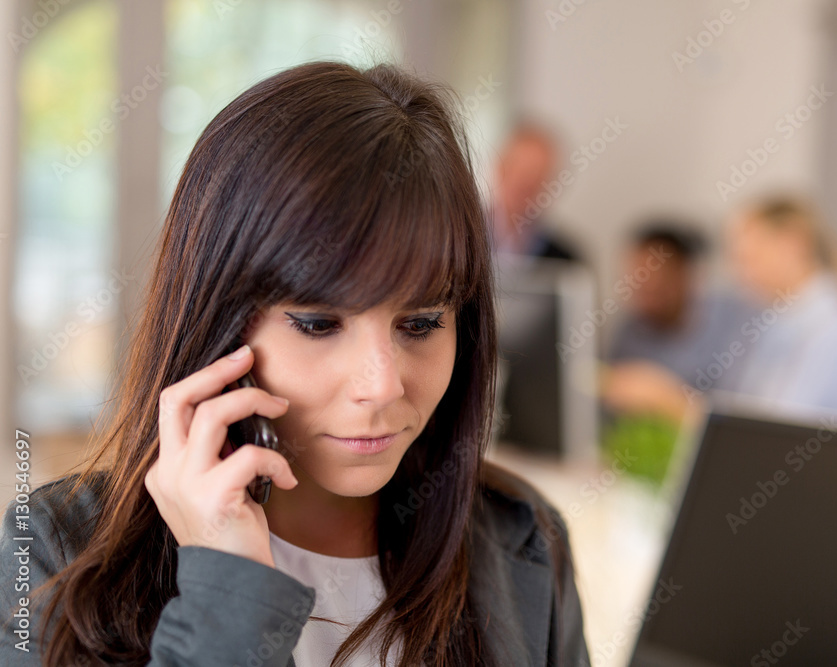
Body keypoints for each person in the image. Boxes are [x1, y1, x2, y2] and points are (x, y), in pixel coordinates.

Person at [0, 62, 589, 667]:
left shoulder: (522, 544)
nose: (382, 386)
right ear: (219, 318)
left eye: (419, 325)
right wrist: (226, 598)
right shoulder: (51, 552)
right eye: (318, 325)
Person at [724, 194, 837, 416]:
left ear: (793, 245)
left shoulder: (834, 331)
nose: (741, 275)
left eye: (750, 259)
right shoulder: (779, 323)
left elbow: (779, 427)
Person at [603, 221, 755, 419]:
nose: (648, 286)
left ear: (685, 274)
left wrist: (665, 398)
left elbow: (737, 413)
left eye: (659, 277)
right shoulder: (629, 330)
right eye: (637, 277)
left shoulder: (732, 324)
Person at [489, 121, 582, 263]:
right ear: (500, 169)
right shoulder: (462, 238)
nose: (527, 185)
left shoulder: (565, 259)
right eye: (521, 173)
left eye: (539, 178)